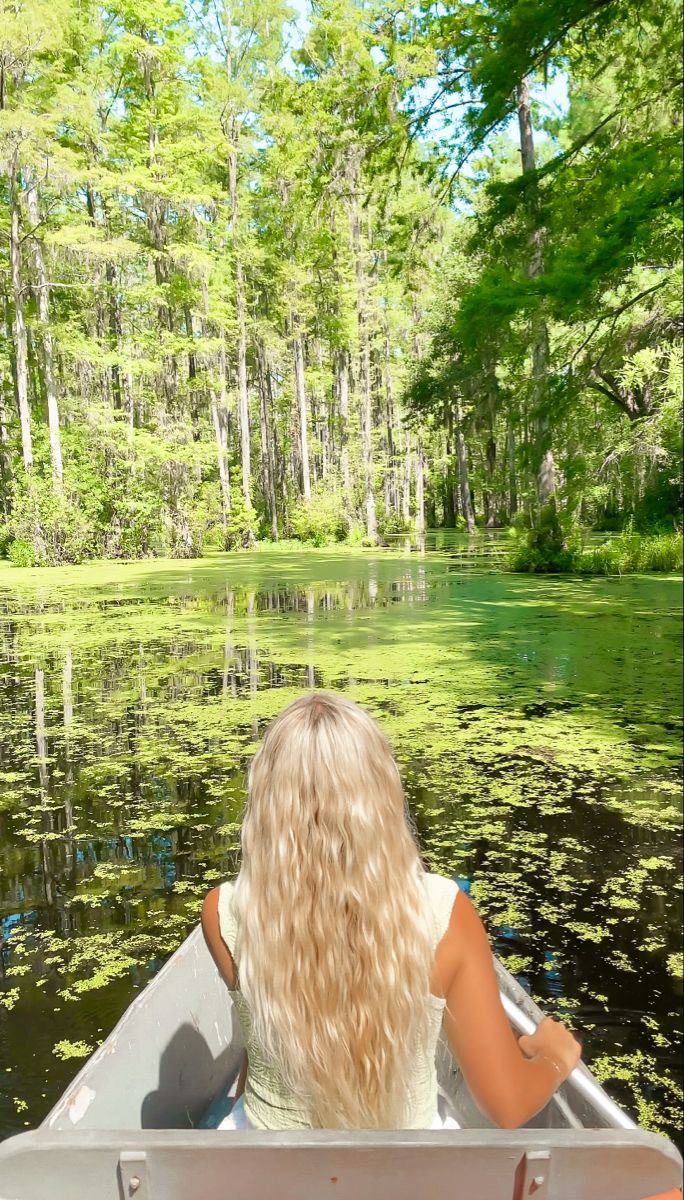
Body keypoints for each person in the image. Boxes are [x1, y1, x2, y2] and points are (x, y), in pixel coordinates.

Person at [201, 691, 580, 1131]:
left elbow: (260, 1040)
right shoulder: (443, 915)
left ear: (267, 801)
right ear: (380, 796)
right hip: (404, 1172)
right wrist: (555, 1058)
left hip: (268, 1173)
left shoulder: (223, 912)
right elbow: (507, 1106)